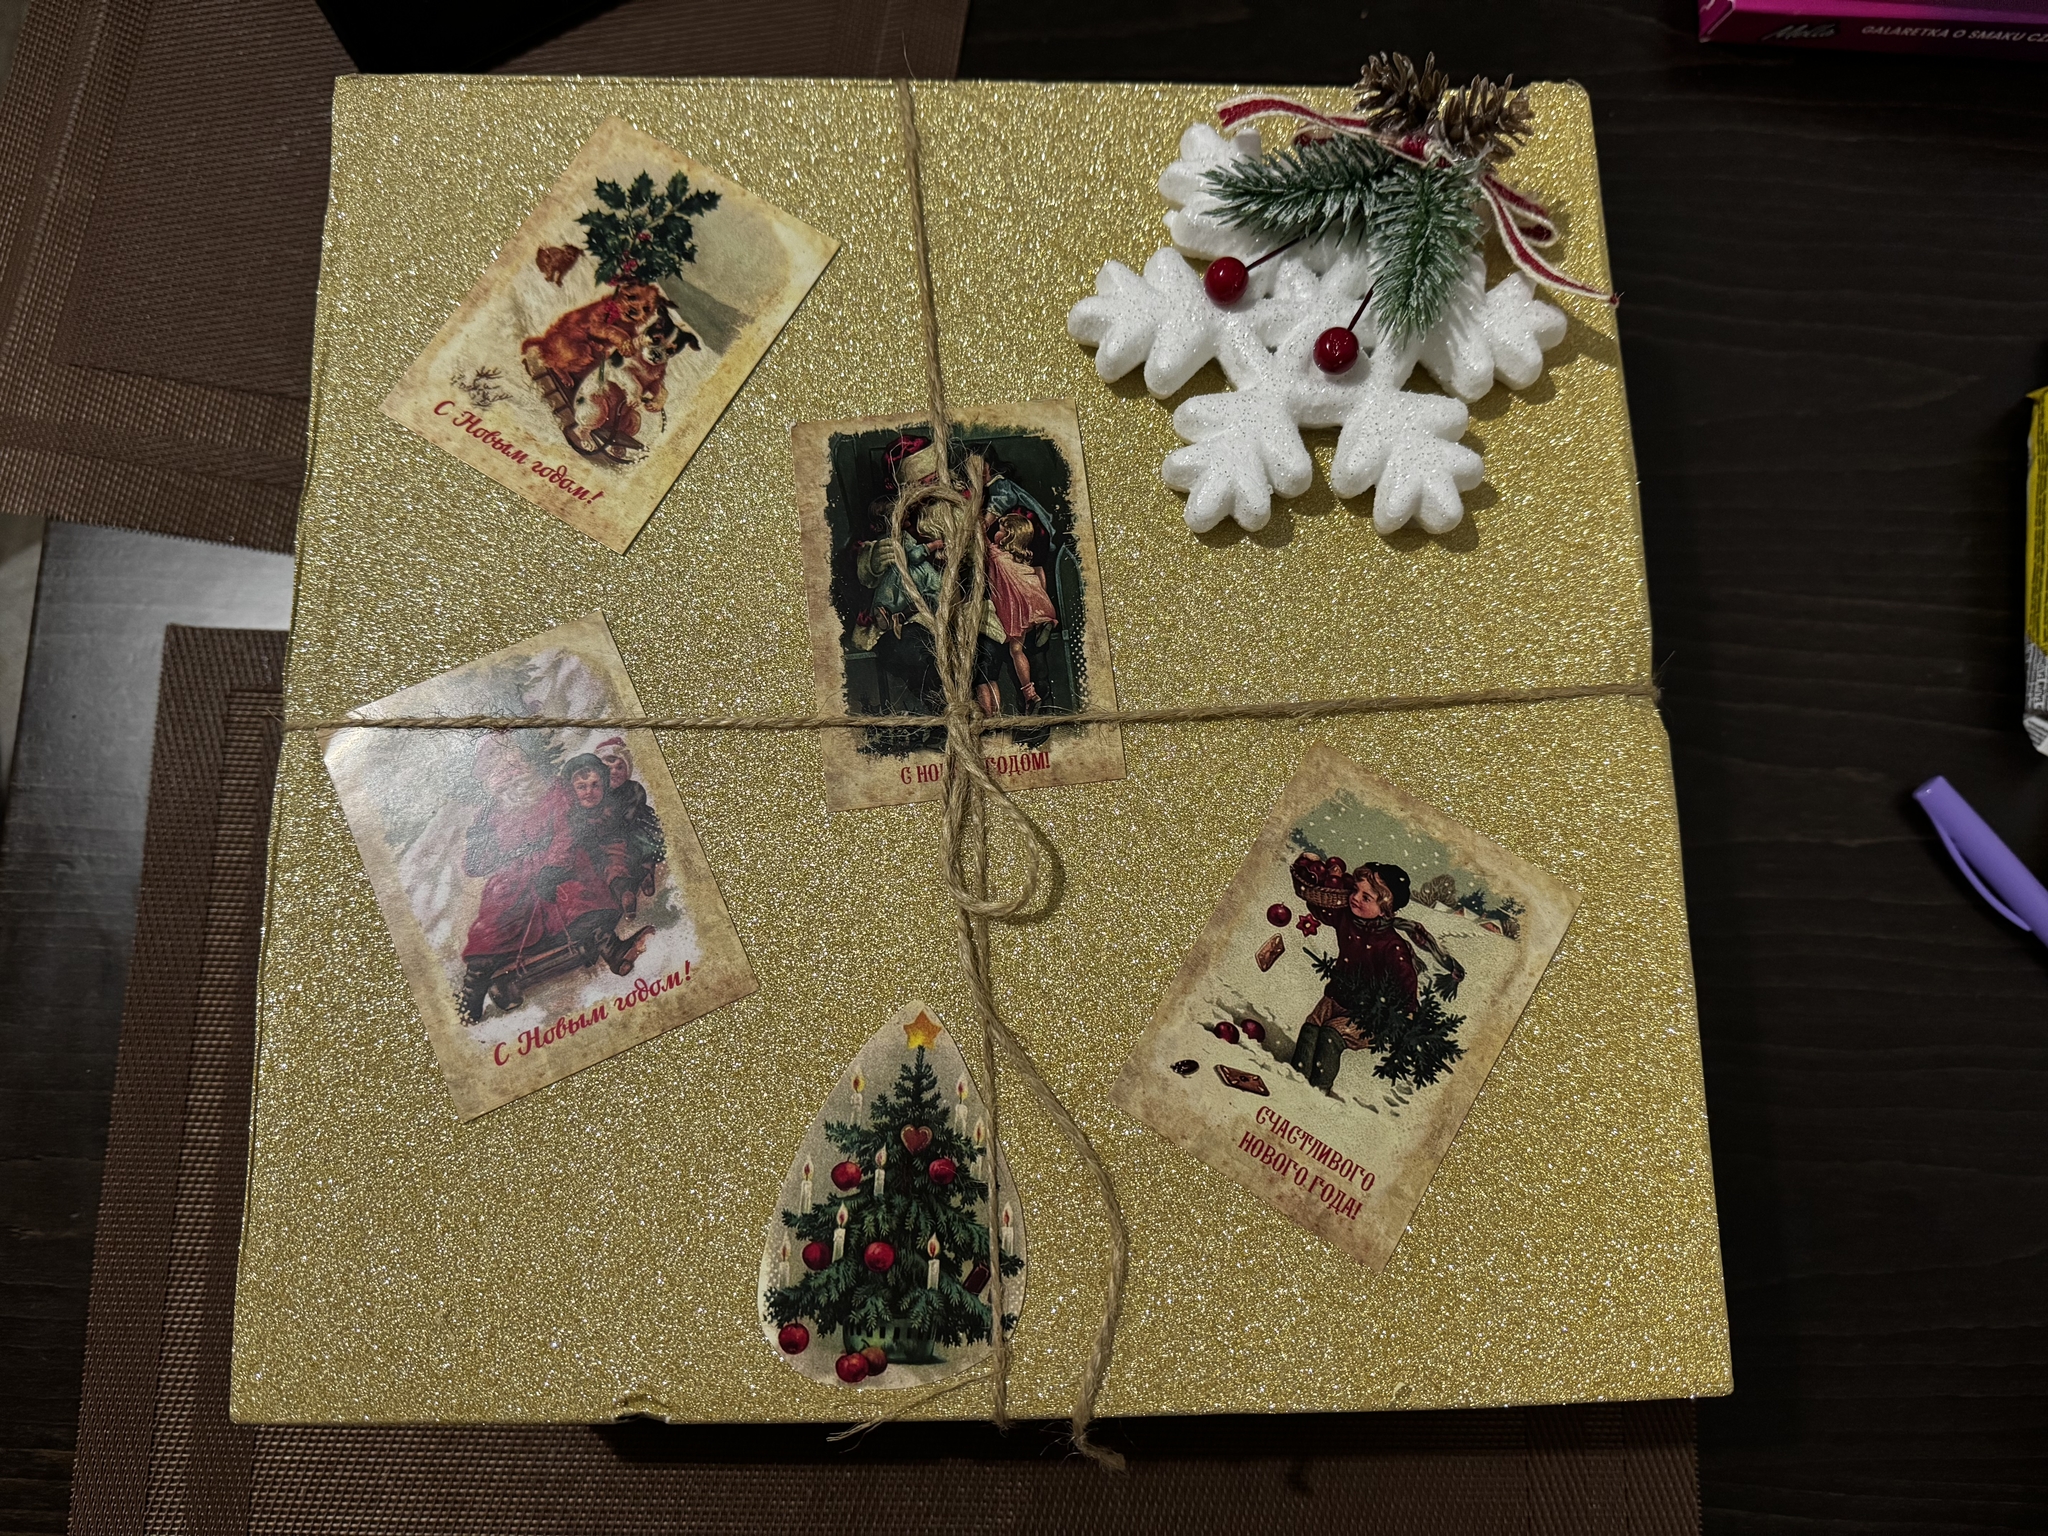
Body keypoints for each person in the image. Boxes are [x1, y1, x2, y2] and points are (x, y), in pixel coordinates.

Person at [456, 752, 652, 1023]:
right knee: (495, 920)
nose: (513, 781)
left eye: (517, 772)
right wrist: (478, 840)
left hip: (559, 861)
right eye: (504, 778)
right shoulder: (490, 815)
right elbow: (476, 866)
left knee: (575, 894)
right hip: (515, 876)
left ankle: (609, 947)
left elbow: (567, 831)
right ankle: (472, 992)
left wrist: (554, 867)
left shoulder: (555, 792)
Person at [1285, 854, 1464, 1092]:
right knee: (1311, 1027)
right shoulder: (1347, 917)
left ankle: (1317, 1089)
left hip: (1370, 1014)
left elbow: (1406, 983)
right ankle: (1294, 1077)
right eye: (1355, 890)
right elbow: (1322, 909)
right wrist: (1310, 878)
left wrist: (1404, 1017)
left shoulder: (1392, 946)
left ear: (1385, 910)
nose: (1355, 898)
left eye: (1366, 897)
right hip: (1337, 995)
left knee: (1331, 1034)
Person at [979, 455, 1060, 714]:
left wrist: (980, 522)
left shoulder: (996, 555)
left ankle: (1031, 694)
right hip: (1031, 601)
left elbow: (981, 533)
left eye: (1001, 529)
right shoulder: (1019, 556)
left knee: (1017, 650)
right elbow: (1036, 573)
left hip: (1012, 608)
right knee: (1020, 649)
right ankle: (1043, 620)